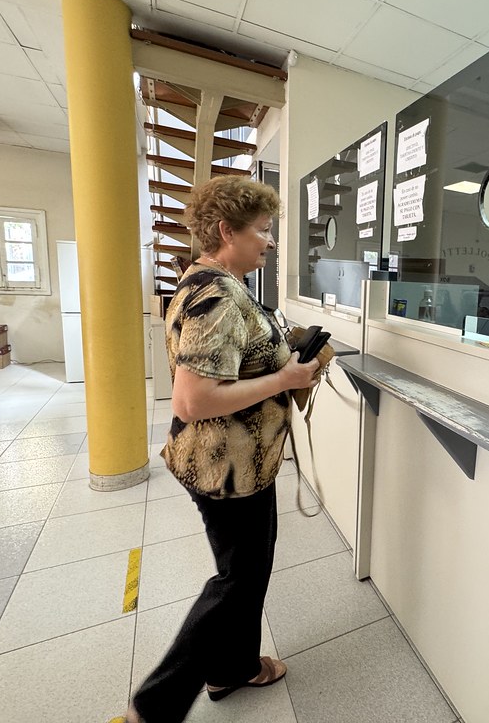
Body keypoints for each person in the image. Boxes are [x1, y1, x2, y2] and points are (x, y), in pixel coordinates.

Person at [127, 176, 320, 723]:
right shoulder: (216, 295)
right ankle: (155, 704)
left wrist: (284, 359)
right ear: (224, 231)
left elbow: (233, 363)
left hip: (235, 464)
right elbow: (194, 399)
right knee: (237, 580)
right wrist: (286, 379)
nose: (270, 241)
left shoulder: (218, 285)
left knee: (246, 571)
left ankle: (232, 668)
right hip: (225, 468)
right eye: (262, 230)